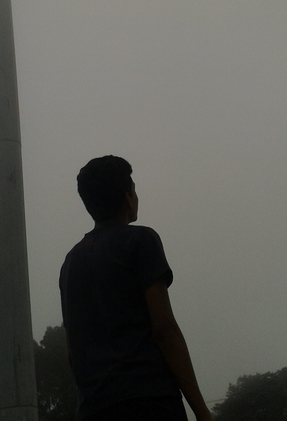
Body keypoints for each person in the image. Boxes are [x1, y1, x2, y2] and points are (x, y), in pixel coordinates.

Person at [60, 155, 212, 421]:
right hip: (150, 401)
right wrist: (201, 411)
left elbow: (74, 351)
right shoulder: (141, 241)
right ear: (128, 197)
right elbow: (165, 331)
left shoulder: (70, 262)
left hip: (93, 408)